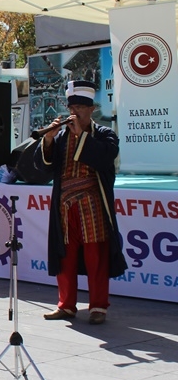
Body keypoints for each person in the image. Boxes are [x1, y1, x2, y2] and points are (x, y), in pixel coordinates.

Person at [33, 80, 127, 325]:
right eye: (71, 106)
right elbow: (42, 169)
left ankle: (98, 306)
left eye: (80, 107)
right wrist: (49, 140)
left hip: (92, 205)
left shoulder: (105, 134)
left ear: (92, 109)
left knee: (97, 256)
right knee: (65, 256)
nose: (74, 112)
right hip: (64, 207)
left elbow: (105, 157)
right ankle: (66, 305)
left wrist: (81, 135)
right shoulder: (61, 136)